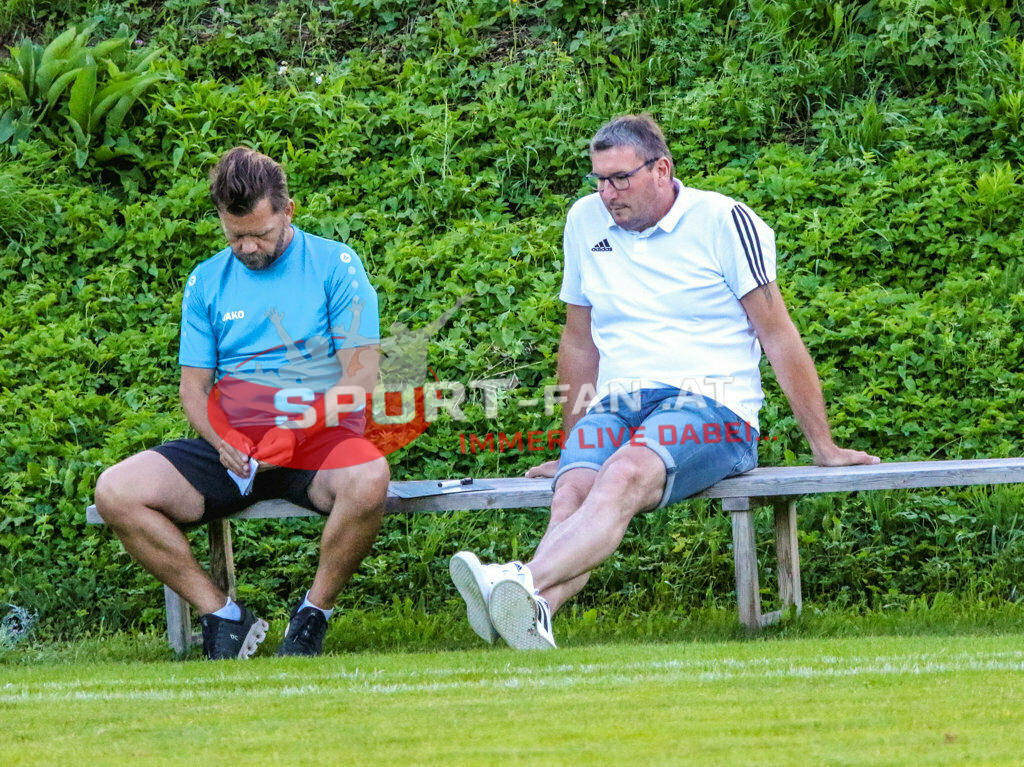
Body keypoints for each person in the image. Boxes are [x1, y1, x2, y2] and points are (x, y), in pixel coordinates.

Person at [450, 114, 878, 650]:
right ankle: (534, 613)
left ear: (662, 169)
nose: (607, 193)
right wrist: (566, 449)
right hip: (619, 400)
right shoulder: (584, 221)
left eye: (620, 178)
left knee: (624, 472)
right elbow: (579, 342)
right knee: (572, 494)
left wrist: (824, 446)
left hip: (712, 407)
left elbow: (778, 334)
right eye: (599, 180)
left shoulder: (725, 220)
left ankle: (516, 579)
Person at [95, 147, 390, 659]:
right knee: (116, 491)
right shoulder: (206, 279)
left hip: (317, 442)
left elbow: (360, 377)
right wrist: (221, 438)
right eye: (236, 236)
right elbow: (194, 388)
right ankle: (224, 618)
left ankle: (310, 617)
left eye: (261, 233)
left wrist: (294, 431)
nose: (250, 247)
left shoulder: (336, 265)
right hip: (234, 448)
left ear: (287, 211)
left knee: (370, 477)